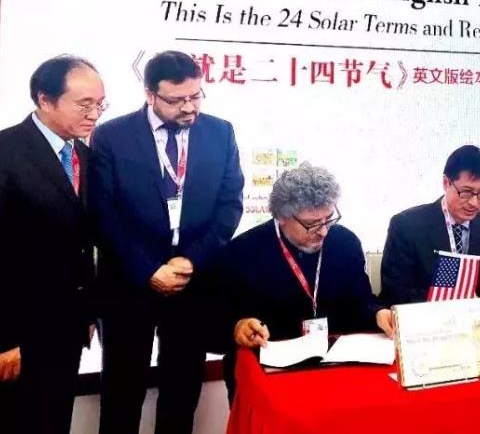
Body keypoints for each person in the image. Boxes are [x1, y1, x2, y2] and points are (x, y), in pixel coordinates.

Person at [90, 51, 244, 434]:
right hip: (129, 284)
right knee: (122, 392)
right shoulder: (112, 136)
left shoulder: (220, 132)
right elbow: (103, 214)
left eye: (195, 96)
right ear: (150, 94)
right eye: (177, 100)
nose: (189, 107)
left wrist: (191, 260)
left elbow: (230, 205)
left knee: (182, 390)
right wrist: (148, 270)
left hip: (193, 284)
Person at [206, 162, 393, 399]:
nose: (323, 231)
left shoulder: (345, 242)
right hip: (269, 376)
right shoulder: (242, 252)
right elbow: (212, 322)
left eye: (329, 219)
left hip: (335, 371)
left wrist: (377, 313)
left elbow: (359, 300)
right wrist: (238, 327)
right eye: (312, 224)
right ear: (282, 217)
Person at [0, 56, 106, 434]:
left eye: (100, 104)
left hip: (67, 327)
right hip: (18, 332)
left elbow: (84, 242)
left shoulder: (85, 156)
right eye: (84, 104)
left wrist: (87, 312)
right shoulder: (7, 152)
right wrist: (5, 339)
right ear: (45, 99)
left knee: (54, 420)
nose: (94, 115)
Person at [380, 145, 480, 305]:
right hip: (425, 317)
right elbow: (394, 293)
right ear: (446, 183)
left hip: (477, 319)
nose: (474, 203)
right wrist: (451, 300)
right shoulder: (406, 226)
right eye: (466, 192)